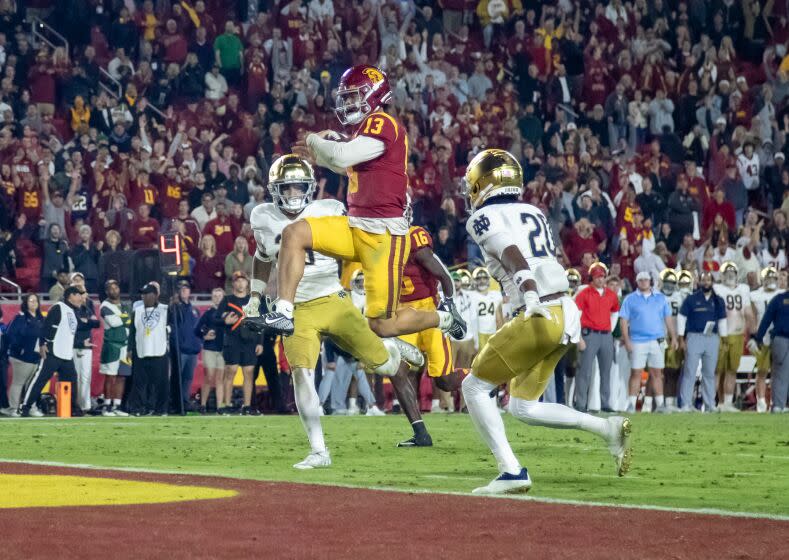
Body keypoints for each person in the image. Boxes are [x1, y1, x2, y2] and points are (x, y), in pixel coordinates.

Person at [459, 149, 631, 495]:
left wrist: (529, 293)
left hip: (538, 309)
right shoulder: (532, 210)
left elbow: (512, 252)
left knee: (474, 387)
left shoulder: (483, 218)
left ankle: (510, 471)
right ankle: (608, 430)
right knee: (522, 405)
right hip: (565, 311)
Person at [260, 64, 466, 342]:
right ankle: (284, 311)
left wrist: (314, 139)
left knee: (383, 326)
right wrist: (319, 156)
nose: (347, 103)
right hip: (356, 225)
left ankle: (444, 318)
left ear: (373, 94)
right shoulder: (362, 133)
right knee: (294, 234)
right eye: (345, 97)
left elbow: (343, 157)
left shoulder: (384, 123)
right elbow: (344, 162)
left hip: (384, 237)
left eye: (353, 96)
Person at [246, 154, 424, 467]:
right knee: (302, 375)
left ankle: (390, 346)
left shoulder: (328, 209)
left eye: (298, 187)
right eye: (286, 189)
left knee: (383, 366)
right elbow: (262, 256)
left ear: (310, 187)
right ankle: (318, 451)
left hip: (333, 299)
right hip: (296, 310)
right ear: (274, 189)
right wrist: (254, 295)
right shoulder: (262, 216)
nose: (292, 195)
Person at [395, 224, 465, 445]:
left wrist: (450, 308)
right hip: (402, 313)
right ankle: (421, 434)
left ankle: (485, 375)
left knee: (446, 381)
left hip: (428, 311)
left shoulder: (414, 237)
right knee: (397, 371)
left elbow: (443, 276)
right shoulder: (381, 238)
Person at [20, 286, 85, 417]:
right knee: (40, 380)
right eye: (79, 295)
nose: (81, 298)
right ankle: (25, 407)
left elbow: (68, 333)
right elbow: (45, 326)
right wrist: (43, 343)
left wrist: (93, 325)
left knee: (72, 381)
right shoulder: (58, 307)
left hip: (66, 355)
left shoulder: (72, 311)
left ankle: (73, 408)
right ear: (70, 296)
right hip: (52, 352)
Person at [619, 271, 678, 413]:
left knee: (657, 373)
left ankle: (660, 404)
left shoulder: (660, 298)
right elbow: (624, 320)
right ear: (637, 282)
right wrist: (626, 339)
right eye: (641, 280)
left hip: (657, 340)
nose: (644, 282)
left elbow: (668, 318)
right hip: (638, 340)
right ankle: (631, 404)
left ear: (650, 281)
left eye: (646, 280)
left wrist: (673, 336)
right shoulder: (630, 299)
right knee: (636, 373)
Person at [677, 271, 728, 412]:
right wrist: (681, 338)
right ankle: (686, 404)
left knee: (709, 373)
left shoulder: (718, 300)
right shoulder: (691, 299)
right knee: (690, 371)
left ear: (712, 282)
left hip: (712, 338)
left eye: (708, 280)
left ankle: (710, 404)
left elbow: (722, 320)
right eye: (703, 279)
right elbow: (682, 318)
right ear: (699, 282)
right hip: (694, 336)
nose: (706, 282)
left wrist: (724, 340)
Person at [573, 263, 620, 412]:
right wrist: (578, 336)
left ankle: (605, 403)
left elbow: (615, 312)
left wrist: (610, 329)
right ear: (592, 278)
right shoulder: (584, 294)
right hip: (589, 334)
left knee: (606, 371)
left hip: (605, 335)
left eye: (602, 276)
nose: (600, 279)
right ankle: (581, 404)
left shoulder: (611, 295)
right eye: (597, 276)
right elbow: (576, 315)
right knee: (584, 371)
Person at [217, 270, 262, 415]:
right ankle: (226, 404)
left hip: (249, 341)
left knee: (248, 373)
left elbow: (260, 322)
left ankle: (247, 406)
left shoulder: (253, 301)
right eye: (237, 280)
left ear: (247, 283)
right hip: (232, 341)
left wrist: (260, 342)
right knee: (230, 371)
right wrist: (225, 320)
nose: (240, 283)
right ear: (233, 283)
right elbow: (215, 319)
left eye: (243, 280)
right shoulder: (227, 300)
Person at [712, 261, 754, 411]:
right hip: (720, 335)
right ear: (722, 276)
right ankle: (711, 403)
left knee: (731, 370)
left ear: (737, 275)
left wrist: (753, 333)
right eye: (727, 273)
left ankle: (727, 404)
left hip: (737, 334)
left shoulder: (744, 289)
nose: (730, 276)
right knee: (717, 371)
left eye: (732, 273)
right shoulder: (716, 289)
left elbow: (748, 311)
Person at [127, 283, 170, 416]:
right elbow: (132, 331)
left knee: (160, 383)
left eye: (146, 294)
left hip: (159, 351)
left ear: (154, 295)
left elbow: (173, 325)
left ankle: (160, 409)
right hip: (141, 351)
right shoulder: (137, 311)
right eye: (143, 294)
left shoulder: (164, 309)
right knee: (139, 383)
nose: (143, 296)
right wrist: (129, 349)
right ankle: (139, 408)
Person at [749, 281, 789, 413]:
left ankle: (778, 405)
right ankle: (778, 405)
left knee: (779, 374)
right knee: (779, 373)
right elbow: (766, 320)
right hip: (781, 339)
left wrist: (758, 338)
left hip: (780, 339)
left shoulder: (778, 299)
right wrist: (758, 338)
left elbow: (766, 319)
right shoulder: (779, 299)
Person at [2, 294, 44, 416]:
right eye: (31, 301)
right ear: (25, 303)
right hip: (21, 357)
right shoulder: (20, 318)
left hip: (35, 356)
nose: (34, 303)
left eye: (35, 300)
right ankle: (13, 408)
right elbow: (10, 335)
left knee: (31, 384)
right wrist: (19, 349)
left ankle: (30, 407)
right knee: (18, 382)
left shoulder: (41, 318)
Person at [98, 280, 131, 416]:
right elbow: (114, 322)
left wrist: (124, 319)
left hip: (125, 345)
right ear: (107, 291)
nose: (114, 290)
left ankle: (116, 406)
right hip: (112, 346)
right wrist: (125, 318)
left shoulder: (124, 305)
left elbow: (129, 321)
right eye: (111, 289)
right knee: (110, 377)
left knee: (121, 377)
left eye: (116, 287)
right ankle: (107, 406)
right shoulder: (104, 306)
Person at [749, 267, 779, 412]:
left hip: (780, 338)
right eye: (767, 278)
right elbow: (752, 318)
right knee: (762, 371)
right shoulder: (755, 295)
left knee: (778, 372)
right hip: (763, 338)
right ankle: (761, 403)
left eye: (773, 278)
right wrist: (753, 337)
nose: (770, 281)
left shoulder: (782, 294)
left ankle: (776, 401)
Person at [170, 280, 203, 411]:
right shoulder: (174, 308)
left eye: (186, 288)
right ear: (178, 291)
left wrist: (200, 341)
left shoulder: (194, 310)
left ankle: (184, 402)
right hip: (181, 349)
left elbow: (199, 328)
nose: (184, 291)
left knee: (187, 378)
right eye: (181, 289)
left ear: (190, 291)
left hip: (193, 350)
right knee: (177, 377)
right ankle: (175, 403)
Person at [69, 272, 100, 412]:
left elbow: (96, 323)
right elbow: (76, 324)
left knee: (86, 376)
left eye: (80, 280)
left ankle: (85, 405)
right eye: (75, 280)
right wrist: (87, 321)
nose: (78, 282)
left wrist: (86, 321)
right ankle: (74, 404)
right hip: (73, 344)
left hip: (87, 343)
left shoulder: (89, 304)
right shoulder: (67, 305)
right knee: (74, 376)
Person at [195, 287, 226, 413]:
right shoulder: (208, 313)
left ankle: (219, 407)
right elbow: (197, 330)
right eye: (215, 296)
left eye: (220, 296)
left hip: (223, 350)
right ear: (212, 298)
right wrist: (205, 335)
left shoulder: (228, 313)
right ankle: (203, 405)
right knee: (209, 377)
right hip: (210, 349)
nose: (217, 298)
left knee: (220, 379)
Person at [659, 269, 687, 411]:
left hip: (674, 336)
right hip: (659, 336)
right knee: (658, 371)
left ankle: (671, 401)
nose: (669, 285)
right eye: (667, 282)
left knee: (674, 370)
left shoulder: (680, 296)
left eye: (672, 282)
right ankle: (656, 402)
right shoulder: (656, 295)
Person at [471, 267, 503, 351]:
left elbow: (498, 318)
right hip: (478, 334)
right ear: (474, 280)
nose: (482, 281)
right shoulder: (471, 296)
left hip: (493, 332)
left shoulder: (495, 295)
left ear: (488, 280)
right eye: (479, 278)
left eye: (484, 278)